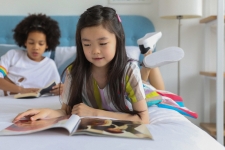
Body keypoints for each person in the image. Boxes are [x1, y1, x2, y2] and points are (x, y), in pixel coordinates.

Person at [0, 14, 63, 96]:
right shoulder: (13, 55)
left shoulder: (49, 65)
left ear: (47, 45)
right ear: (25, 42)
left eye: (41, 44)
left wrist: (62, 88)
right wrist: (22, 90)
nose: (36, 47)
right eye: (31, 43)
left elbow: (57, 89)